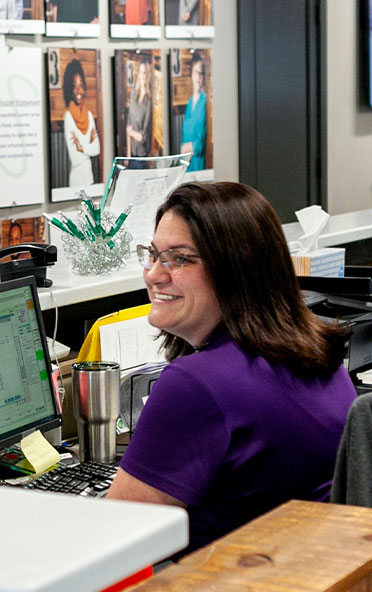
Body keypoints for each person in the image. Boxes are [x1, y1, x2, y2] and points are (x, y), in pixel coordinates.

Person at [107, 182, 355, 556]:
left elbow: (115, 537)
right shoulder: (318, 353)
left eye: (180, 259)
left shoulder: (194, 385)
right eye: (154, 255)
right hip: (303, 589)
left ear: (236, 268)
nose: (154, 275)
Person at [61, 59, 100, 189]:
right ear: (70, 89)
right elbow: (75, 158)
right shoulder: (68, 117)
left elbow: (97, 149)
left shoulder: (88, 115)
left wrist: (82, 148)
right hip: (76, 181)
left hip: (90, 178)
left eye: (81, 85)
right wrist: (89, 146)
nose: (78, 91)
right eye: (74, 86)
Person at [179, 55, 207, 172]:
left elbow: (201, 143)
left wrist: (188, 147)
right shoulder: (190, 102)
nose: (198, 77)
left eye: (201, 73)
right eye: (196, 72)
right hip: (186, 162)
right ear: (191, 74)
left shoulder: (205, 102)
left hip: (198, 163)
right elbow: (185, 133)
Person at [124, 59, 152, 157]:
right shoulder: (133, 93)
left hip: (141, 154)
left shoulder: (149, 101)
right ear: (138, 74)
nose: (143, 76)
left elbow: (143, 136)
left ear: (148, 75)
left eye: (145, 73)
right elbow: (129, 124)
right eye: (141, 73)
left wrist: (131, 132)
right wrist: (128, 155)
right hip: (131, 151)